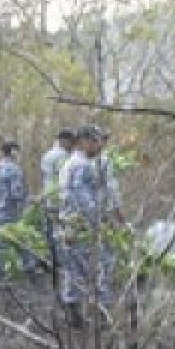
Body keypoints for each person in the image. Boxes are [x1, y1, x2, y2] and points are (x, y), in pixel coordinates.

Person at [58, 124, 126, 321]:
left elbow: (107, 191)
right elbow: (83, 200)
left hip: (80, 224)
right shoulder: (79, 165)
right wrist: (98, 222)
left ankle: (83, 313)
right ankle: (96, 316)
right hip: (80, 226)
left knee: (82, 269)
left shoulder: (86, 162)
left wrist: (114, 213)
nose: (100, 145)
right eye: (95, 141)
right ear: (84, 142)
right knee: (91, 268)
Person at [0, 139, 37, 287]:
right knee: (3, 245)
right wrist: (30, 200)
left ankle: (31, 269)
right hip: (10, 212)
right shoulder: (14, 169)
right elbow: (16, 193)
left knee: (20, 240)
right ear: (14, 152)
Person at [41, 129, 76, 202]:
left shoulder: (48, 154)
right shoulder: (63, 156)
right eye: (72, 142)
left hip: (48, 192)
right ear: (63, 141)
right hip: (58, 194)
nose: (73, 145)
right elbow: (66, 176)